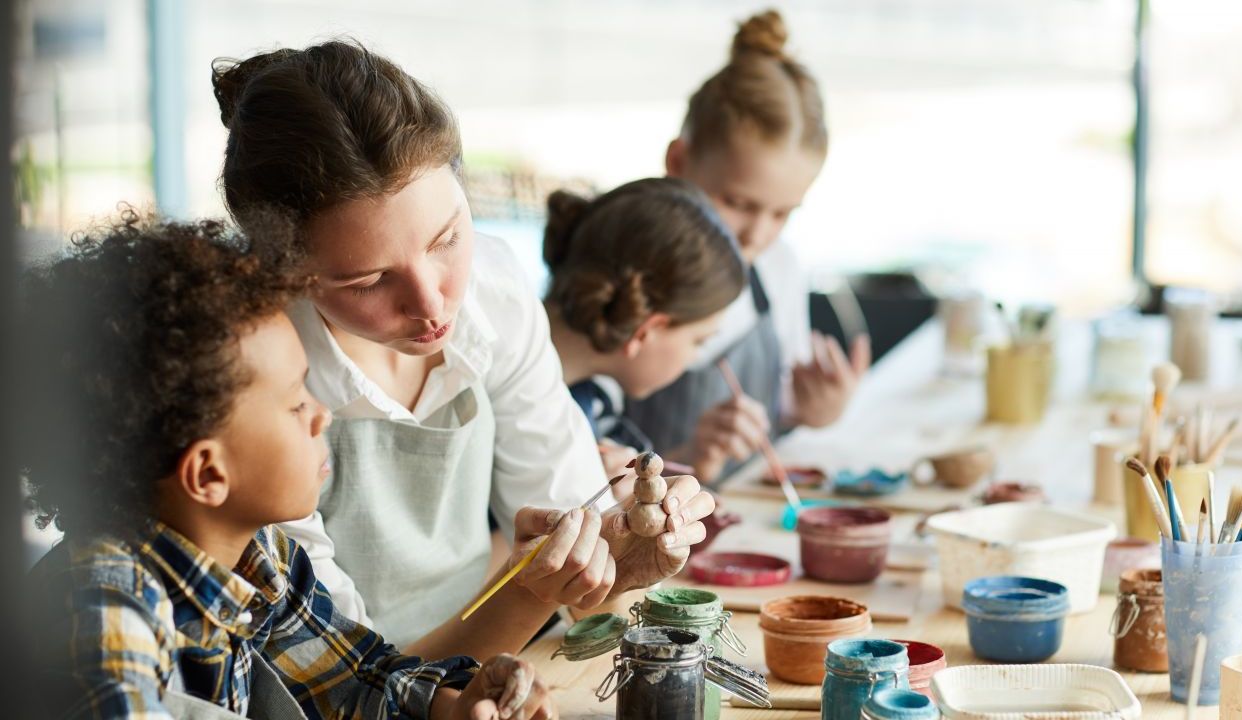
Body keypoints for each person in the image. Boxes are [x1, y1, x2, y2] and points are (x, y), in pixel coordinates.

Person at [212, 40, 715, 659]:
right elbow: (341, 680)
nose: (433, 304)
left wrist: (616, 561)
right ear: (283, 271)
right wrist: (530, 591)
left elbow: (583, 576)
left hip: (477, 664)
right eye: (368, 281)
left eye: (448, 238)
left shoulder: (494, 293)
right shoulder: (251, 373)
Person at [20, 212, 554, 720]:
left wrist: (454, 707)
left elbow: (356, 683)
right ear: (208, 474)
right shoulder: (107, 614)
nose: (321, 414)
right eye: (295, 402)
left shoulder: (260, 556)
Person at [623, 9, 872, 484]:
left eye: (782, 213)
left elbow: (777, 407)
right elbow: (574, 465)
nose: (757, 234)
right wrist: (690, 454)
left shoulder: (777, 267)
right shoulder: (618, 273)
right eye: (737, 203)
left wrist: (809, 409)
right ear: (678, 161)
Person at [542, 178, 747, 481]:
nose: (693, 357)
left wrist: (690, 458)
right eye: (698, 341)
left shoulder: (591, 398)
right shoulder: (505, 397)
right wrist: (583, 506)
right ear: (646, 331)